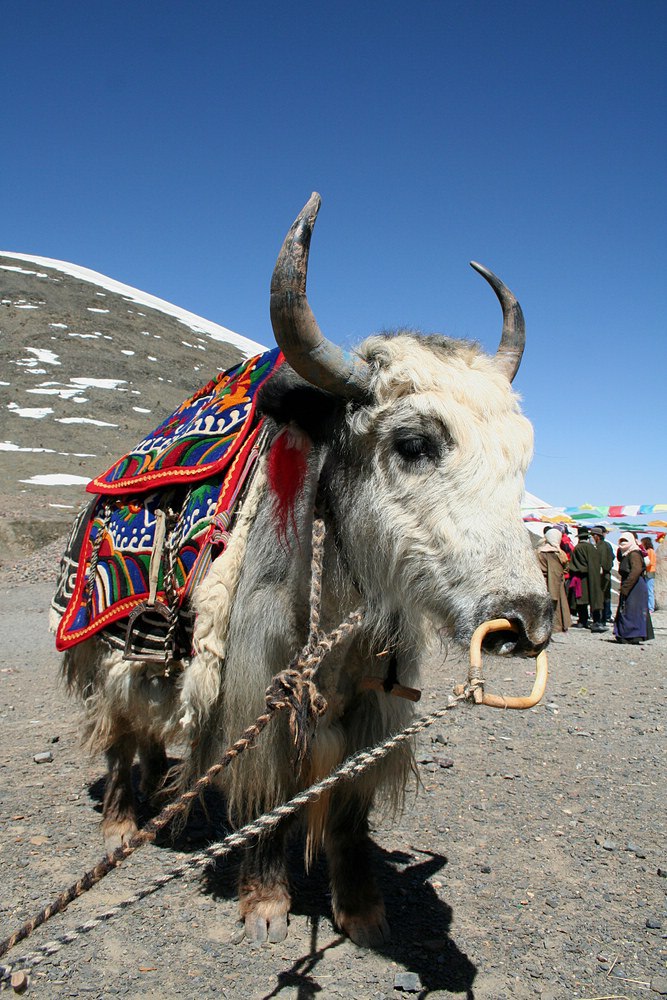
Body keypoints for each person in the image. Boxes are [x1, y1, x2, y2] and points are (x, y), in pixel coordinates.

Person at [614, 533, 654, 644]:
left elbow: (636, 570)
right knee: (627, 610)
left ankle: (634, 635)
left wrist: (626, 587)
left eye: (625, 541)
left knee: (633, 611)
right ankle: (626, 634)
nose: (623, 543)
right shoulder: (626, 553)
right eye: (621, 541)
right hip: (630, 583)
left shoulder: (634, 554)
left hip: (635, 585)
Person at [568, 526, 604, 631]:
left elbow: (574, 564)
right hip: (593, 577)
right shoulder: (592, 548)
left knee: (581, 599)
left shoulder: (577, 548)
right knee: (594, 597)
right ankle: (597, 620)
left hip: (581, 578)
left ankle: (582, 620)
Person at [537, 528, 571, 632]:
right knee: (557, 607)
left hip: (542, 583)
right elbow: (566, 569)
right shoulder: (560, 554)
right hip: (557, 584)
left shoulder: (538, 552)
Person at [591, 525, 614, 624]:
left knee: (600, 598)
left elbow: (604, 562)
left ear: (597, 536)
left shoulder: (601, 547)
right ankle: (604, 617)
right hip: (604, 575)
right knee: (605, 597)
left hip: (601, 576)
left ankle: (600, 619)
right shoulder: (605, 545)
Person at [641, 537, 656, 613]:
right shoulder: (648, 551)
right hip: (647, 572)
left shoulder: (650, 551)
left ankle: (651, 607)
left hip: (650, 572)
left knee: (650, 590)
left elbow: (651, 562)